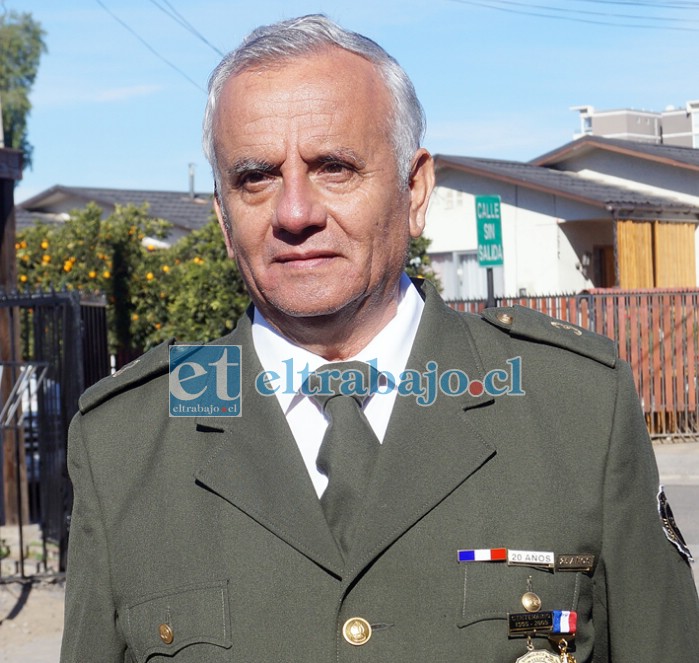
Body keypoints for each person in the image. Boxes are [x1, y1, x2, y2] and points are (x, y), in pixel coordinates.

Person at [61, 14, 698, 662]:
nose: (294, 213)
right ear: (223, 218)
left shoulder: (575, 407)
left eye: (333, 167)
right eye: (256, 177)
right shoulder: (126, 443)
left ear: (414, 189)